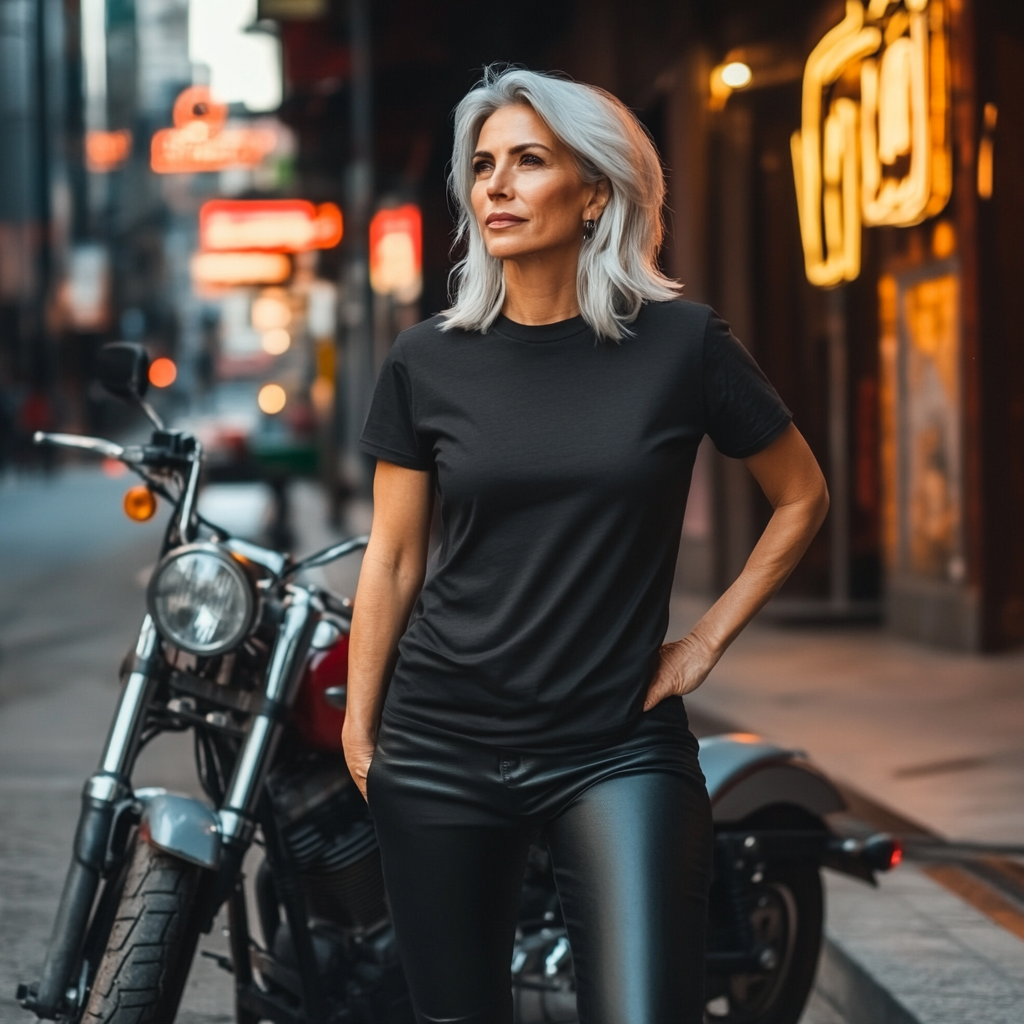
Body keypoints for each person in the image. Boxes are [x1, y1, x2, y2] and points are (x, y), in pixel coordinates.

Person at [343, 67, 828, 1024]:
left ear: (597, 189)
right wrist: (365, 729)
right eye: (483, 166)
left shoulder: (682, 345)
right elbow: (393, 557)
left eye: (529, 160)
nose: (497, 185)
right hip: (440, 739)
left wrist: (701, 644)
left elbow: (801, 497)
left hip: (616, 745)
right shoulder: (425, 360)